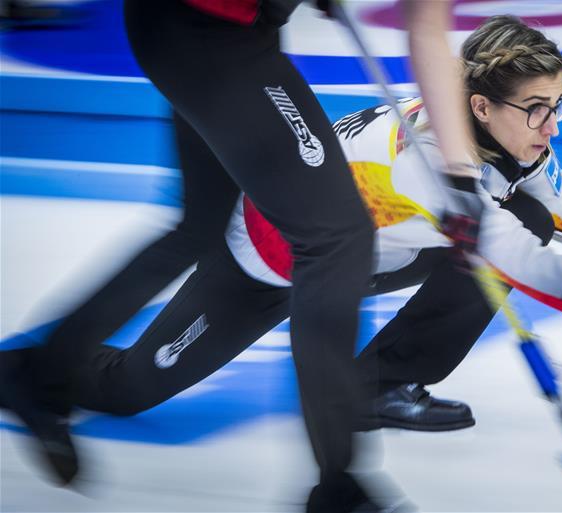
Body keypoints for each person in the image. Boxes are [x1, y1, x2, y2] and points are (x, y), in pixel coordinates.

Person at [8, 14, 562, 443]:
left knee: (515, 227)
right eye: (538, 109)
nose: (552, 127)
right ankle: (33, 366)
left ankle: (376, 386)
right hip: (265, 263)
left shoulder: (507, 141)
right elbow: (539, 266)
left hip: (364, 254)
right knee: (128, 388)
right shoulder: (427, 165)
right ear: (480, 108)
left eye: (560, 105)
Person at [0, 1, 482, 510]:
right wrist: (458, 171)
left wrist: (460, 173)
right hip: (207, 32)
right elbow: (425, 28)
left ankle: (37, 373)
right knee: (338, 238)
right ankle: (338, 488)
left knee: (202, 227)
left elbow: (426, 23)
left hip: (215, 29)